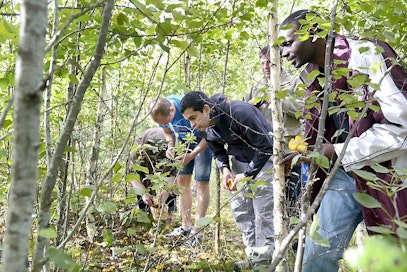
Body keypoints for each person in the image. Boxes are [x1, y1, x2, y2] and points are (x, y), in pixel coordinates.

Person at [279, 9, 407, 272]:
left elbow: (401, 129)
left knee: (392, 261)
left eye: (288, 42)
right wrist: (306, 152)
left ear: (312, 33)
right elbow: (324, 128)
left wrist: (335, 150)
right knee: (316, 257)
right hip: (344, 174)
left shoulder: (365, 55)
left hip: (387, 175)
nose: (283, 52)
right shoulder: (313, 75)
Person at [180, 91, 275, 270]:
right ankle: (252, 254)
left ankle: (265, 260)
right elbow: (218, 151)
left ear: (206, 109)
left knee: (263, 210)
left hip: (264, 159)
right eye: (188, 121)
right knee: (241, 209)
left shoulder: (239, 112)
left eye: (194, 118)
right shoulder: (204, 126)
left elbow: (266, 147)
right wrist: (225, 170)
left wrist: (248, 174)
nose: (192, 125)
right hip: (239, 161)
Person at [244, 45, 304, 211]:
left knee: (293, 203)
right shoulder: (255, 88)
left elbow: (304, 110)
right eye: (262, 63)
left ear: (280, 61)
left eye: (269, 63)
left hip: (288, 151)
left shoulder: (294, 83)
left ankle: (293, 235)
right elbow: (243, 114)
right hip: (263, 154)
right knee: (268, 205)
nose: (265, 67)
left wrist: (278, 101)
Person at [149, 95, 212, 245]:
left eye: (168, 121)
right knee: (182, 182)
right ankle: (186, 226)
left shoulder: (187, 108)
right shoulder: (161, 113)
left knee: (201, 183)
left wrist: (192, 155)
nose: (166, 124)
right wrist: (171, 146)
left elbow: (210, 134)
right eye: (162, 123)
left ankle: (197, 231)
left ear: (172, 109)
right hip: (184, 142)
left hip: (204, 141)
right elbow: (168, 133)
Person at [126, 127, 177, 224]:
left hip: (166, 158)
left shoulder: (171, 149)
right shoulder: (137, 152)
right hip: (143, 162)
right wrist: (144, 193)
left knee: (171, 187)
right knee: (142, 182)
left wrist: (166, 191)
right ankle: (145, 217)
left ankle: (169, 217)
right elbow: (132, 175)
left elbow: (174, 175)